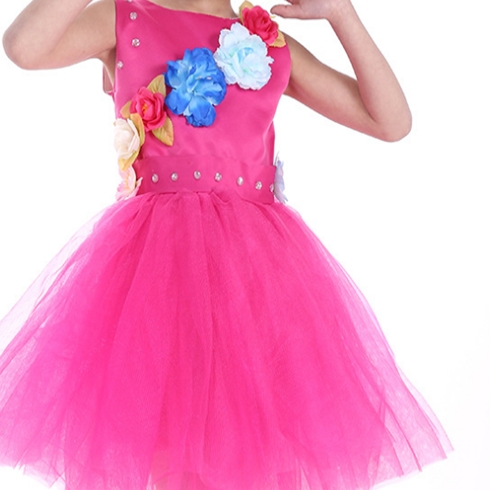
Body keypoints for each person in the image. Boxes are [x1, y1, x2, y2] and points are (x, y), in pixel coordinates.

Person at [0, 1, 452, 489]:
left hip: (255, 283)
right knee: (173, 448)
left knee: (257, 450)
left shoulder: (269, 44)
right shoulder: (126, 18)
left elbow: (390, 121)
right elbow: (24, 48)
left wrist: (342, 15)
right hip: (160, 276)